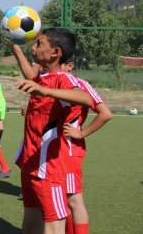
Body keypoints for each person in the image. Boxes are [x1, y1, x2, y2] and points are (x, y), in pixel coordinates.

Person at [10, 27, 92, 234]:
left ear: (56, 52)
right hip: (30, 163)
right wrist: (15, 46)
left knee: (54, 226)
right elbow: (32, 76)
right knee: (30, 224)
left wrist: (45, 91)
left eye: (40, 44)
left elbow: (85, 98)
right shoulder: (42, 78)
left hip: (49, 168)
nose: (34, 49)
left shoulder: (64, 79)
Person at [61, 59, 112, 234]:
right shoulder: (53, 85)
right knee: (62, 199)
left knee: (73, 199)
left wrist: (81, 133)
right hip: (54, 152)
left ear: (69, 65)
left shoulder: (81, 85)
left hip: (69, 149)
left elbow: (105, 114)